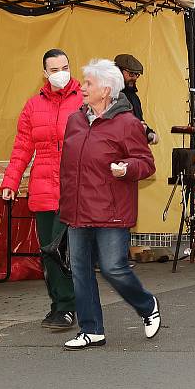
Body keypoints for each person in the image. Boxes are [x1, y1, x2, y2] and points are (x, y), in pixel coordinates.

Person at [60, 59, 160, 350]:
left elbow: (146, 164)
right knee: (79, 269)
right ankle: (92, 330)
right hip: (77, 209)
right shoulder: (74, 120)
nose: (82, 87)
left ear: (106, 90)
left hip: (111, 210)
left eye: (88, 83)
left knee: (113, 268)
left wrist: (126, 168)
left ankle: (146, 304)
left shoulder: (128, 124)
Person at [1, 49, 81, 331]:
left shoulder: (84, 100)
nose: (61, 73)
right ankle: (60, 305)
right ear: (45, 73)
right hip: (44, 186)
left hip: (76, 187)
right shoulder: (33, 106)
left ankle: (69, 305)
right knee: (50, 249)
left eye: (66, 67)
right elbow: (22, 147)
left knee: (70, 250)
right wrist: (11, 182)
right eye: (55, 69)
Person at [114, 54, 158, 145]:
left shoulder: (134, 97)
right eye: (131, 74)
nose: (134, 78)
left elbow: (139, 121)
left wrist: (149, 134)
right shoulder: (108, 95)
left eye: (137, 75)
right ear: (117, 72)